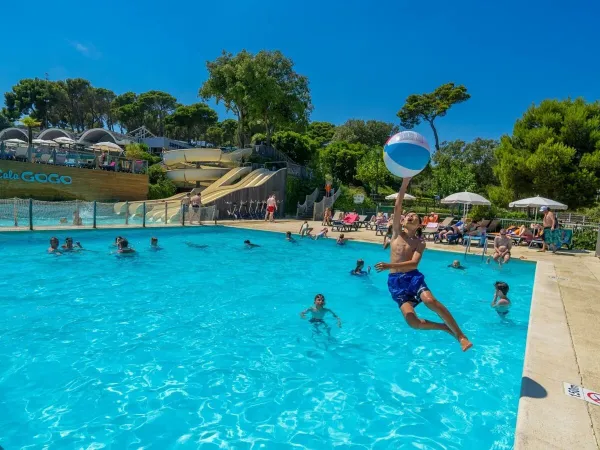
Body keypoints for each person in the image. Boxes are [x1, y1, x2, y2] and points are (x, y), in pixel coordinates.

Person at [375, 177, 472, 352]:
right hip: (395, 282)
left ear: (419, 224)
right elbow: (397, 206)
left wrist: (389, 266)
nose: (410, 216)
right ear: (402, 221)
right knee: (412, 321)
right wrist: (405, 182)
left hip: (412, 277)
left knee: (430, 301)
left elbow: (413, 263)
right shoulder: (396, 234)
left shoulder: (420, 242)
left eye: (415, 216)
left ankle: (460, 335)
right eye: (408, 215)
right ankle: (443, 327)